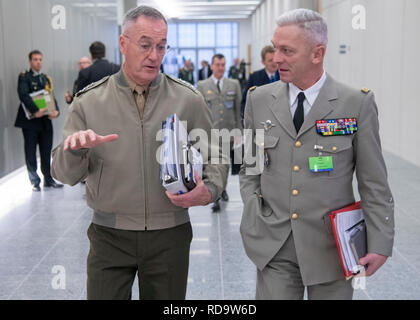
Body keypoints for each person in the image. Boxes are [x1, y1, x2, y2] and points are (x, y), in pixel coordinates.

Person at [51, 5, 228, 300]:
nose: (155, 55)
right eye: (145, 45)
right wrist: (77, 151)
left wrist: (208, 190)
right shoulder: (89, 102)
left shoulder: (188, 99)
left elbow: (216, 157)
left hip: (170, 235)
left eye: (161, 46)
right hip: (109, 236)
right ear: (123, 44)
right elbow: (63, 174)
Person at [239, 8, 394, 300]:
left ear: (317, 53)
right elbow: (250, 168)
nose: (276, 58)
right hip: (275, 244)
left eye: (287, 50)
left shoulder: (355, 103)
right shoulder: (258, 100)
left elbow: (373, 180)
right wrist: (252, 212)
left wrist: (380, 241)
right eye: (275, 48)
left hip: (332, 248)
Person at [197, 54, 242, 212]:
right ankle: (216, 194)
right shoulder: (202, 85)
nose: (220, 68)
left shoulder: (234, 84)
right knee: (212, 165)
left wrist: (239, 132)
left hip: (228, 132)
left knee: (226, 164)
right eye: (217, 65)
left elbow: (237, 110)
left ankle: (223, 189)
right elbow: (199, 113)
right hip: (211, 134)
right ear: (211, 66)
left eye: (223, 64)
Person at [15, 50, 63, 192]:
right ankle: (34, 181)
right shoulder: (24, 77)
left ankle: (48, 179)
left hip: (45, 121)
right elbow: (23, 95)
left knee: (46, 150)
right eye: (35, 59)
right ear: (30, 61)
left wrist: (57, 111)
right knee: (30, 151)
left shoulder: (45, 78)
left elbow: (51, 97)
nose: (38, 62)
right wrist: (36, 110)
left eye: (40, 59)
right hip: (31, 121)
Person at [241, 45, 280, 121]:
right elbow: (245, 100)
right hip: (260, 119)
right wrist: (245, 118)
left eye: (275, 59)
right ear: (263, 62)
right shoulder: (255, 77)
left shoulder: (284, 76)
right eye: (270, 60)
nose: (274, 63)